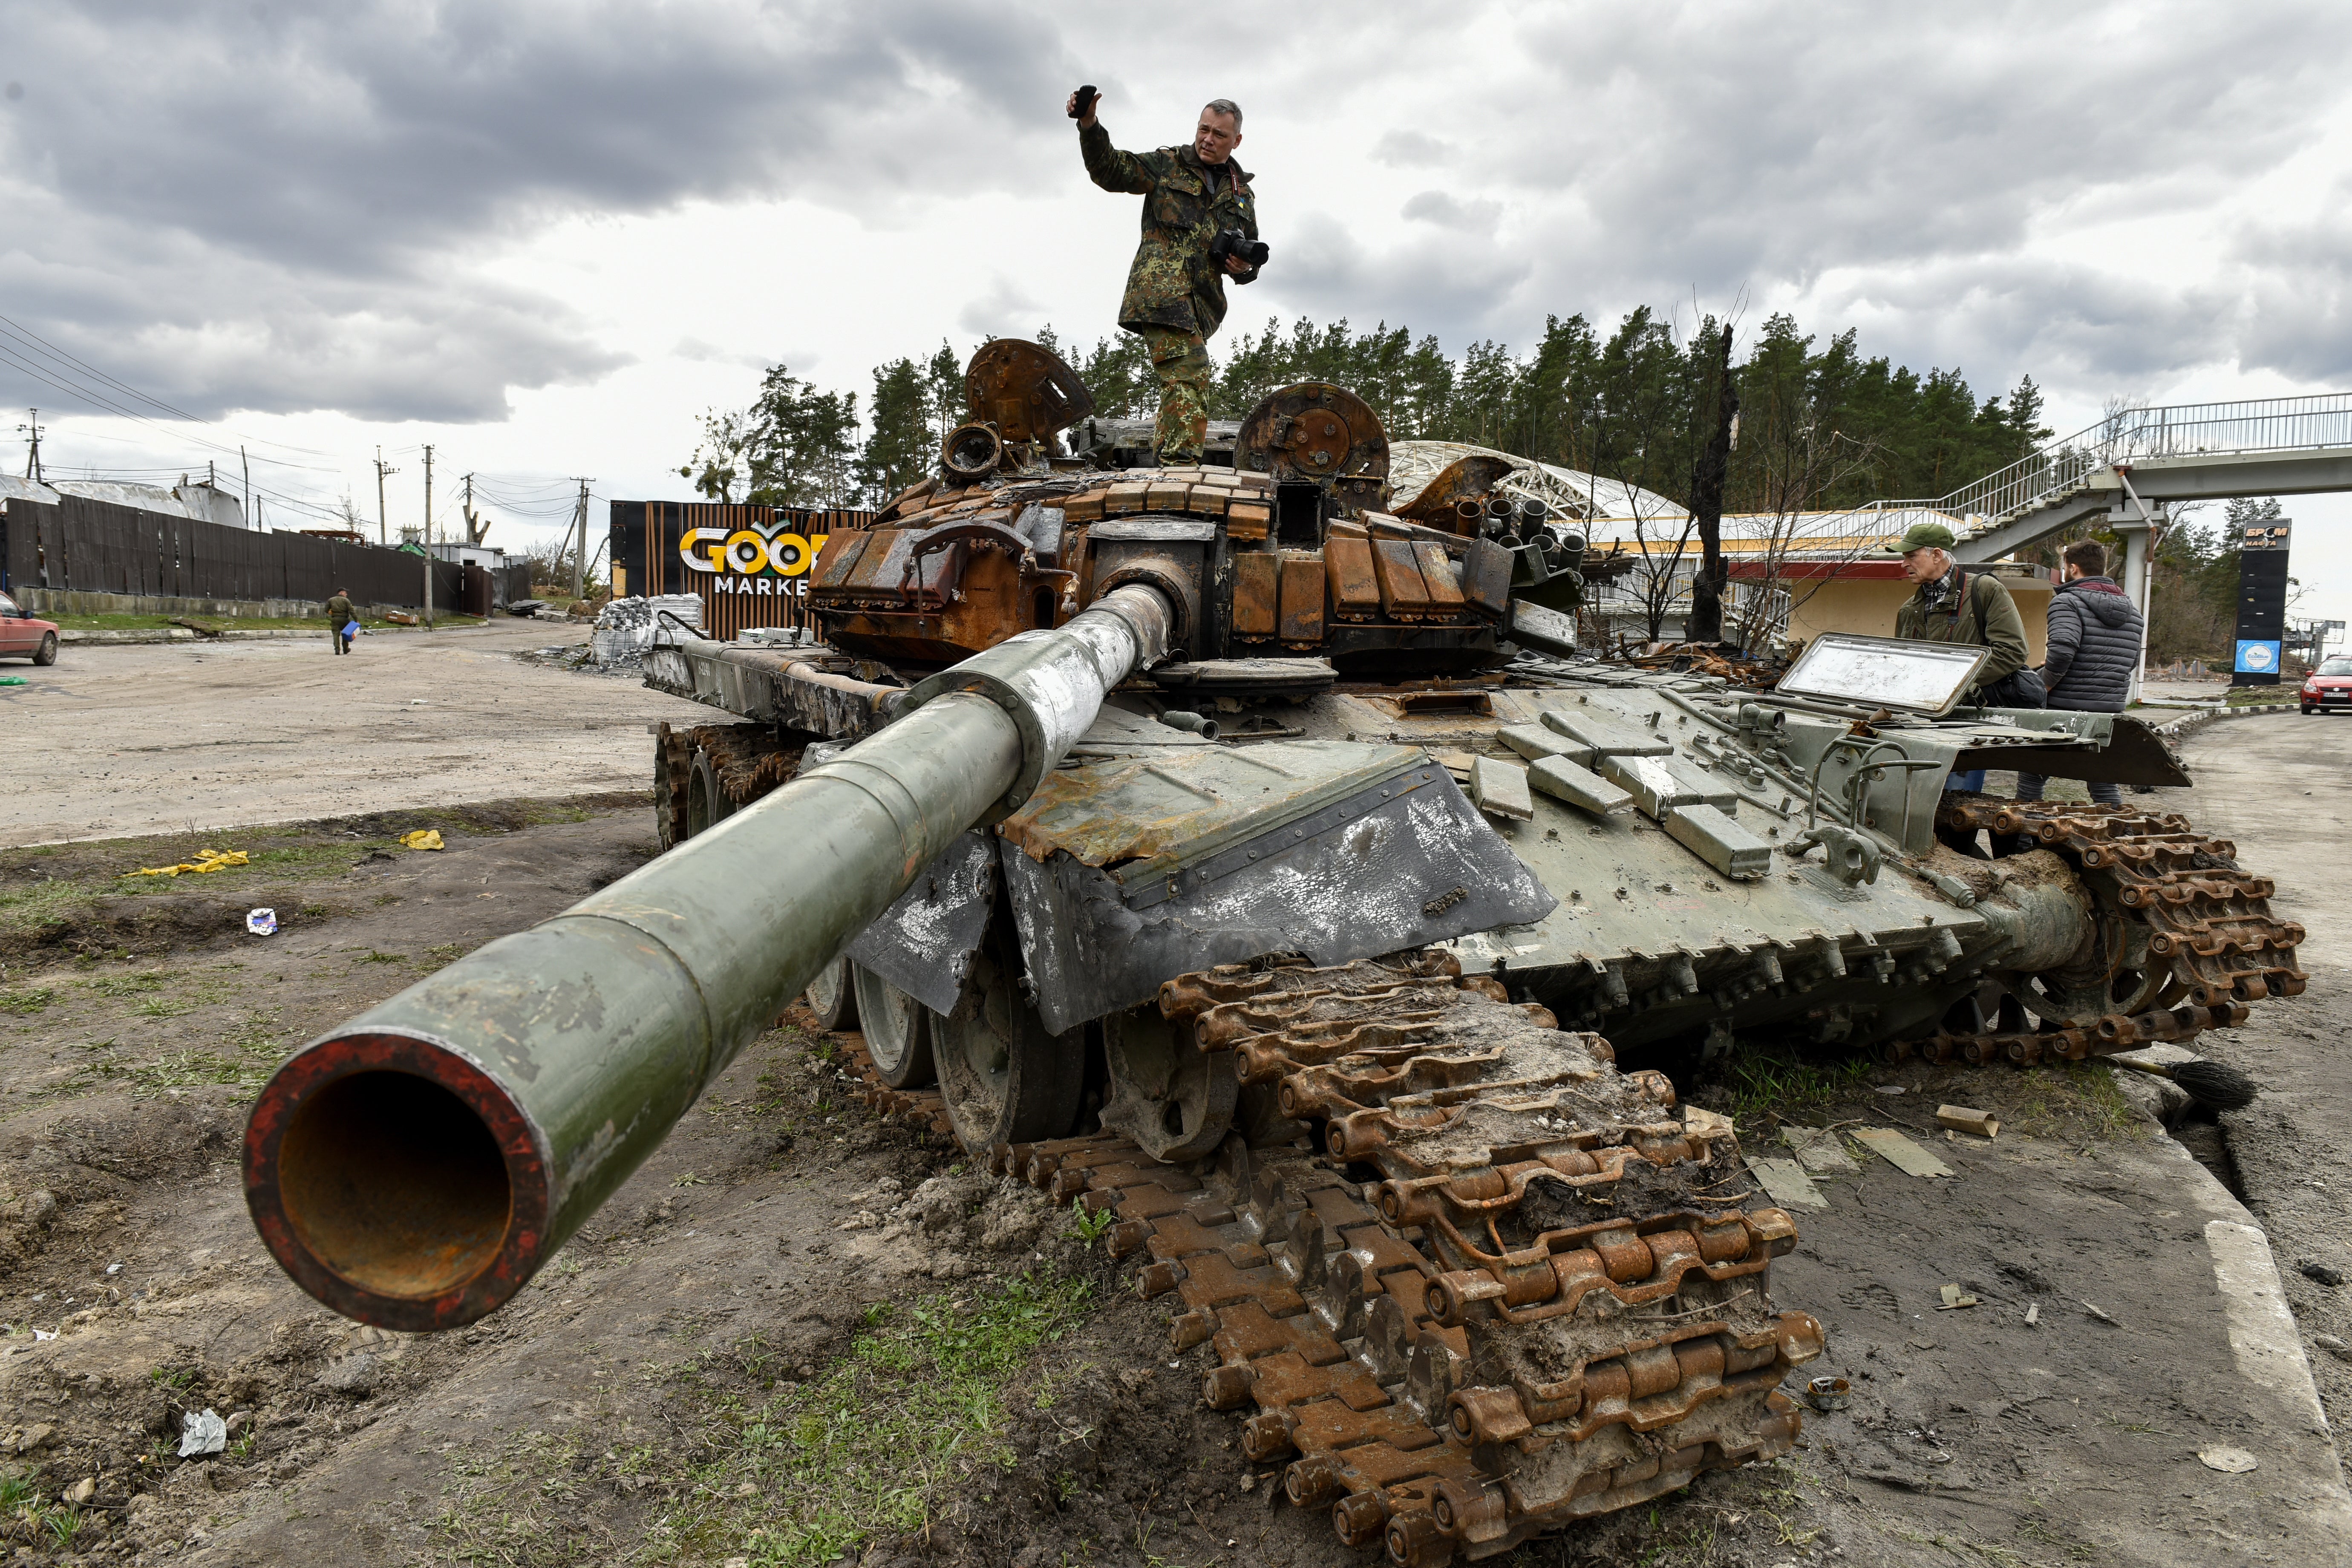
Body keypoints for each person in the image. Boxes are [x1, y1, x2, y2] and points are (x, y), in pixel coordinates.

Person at [1070, 90, 1261, 466]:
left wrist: (1244, 268)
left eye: (1219, 135)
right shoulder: (1167, 165)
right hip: (1161, 295)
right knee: (1190, 374)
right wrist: (1089, 123)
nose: (1208, 139)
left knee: (1180, 382)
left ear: (1236, 140)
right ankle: (1178, 468)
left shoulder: (1241, 193)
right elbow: (1109, 169)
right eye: (1204, 129)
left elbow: (1249, 252)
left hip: (1201, 307)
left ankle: (1167, 462)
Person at [1889, 520, 2028, 793]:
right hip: (1918, 724)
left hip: (1965, 722)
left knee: (1956, 804)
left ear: (1937, 555)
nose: (1904, 564)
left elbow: (2011, 652)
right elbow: (1901, 666)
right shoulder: (1909, 610)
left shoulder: (1984, 590)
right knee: (1913, 800)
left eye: (1911, 556)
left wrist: (1952, 686)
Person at [2017, 539, 2143, 807]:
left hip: (2063, 709)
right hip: (2109, 710)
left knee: (2032, 779)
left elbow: (2063, 651)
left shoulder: (2067, 601)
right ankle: (2114, 839)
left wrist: (2043, 686)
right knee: (2103, 783)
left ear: (2073, 568)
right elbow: (2131, 661)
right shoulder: (2133, 611)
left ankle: (2021, 844)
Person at [326, 587, 357, 655]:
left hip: (335, 619)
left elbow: (326, 610)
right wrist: (356, 620)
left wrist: (332, 613)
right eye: (346, 593)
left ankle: (337, 649)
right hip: (345, 620)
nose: (347, 594)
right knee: (345, 634)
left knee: (336, 635)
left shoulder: (331, 600)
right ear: (341, 593)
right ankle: (346, 649)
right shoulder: (346, 600)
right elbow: (352, 611)